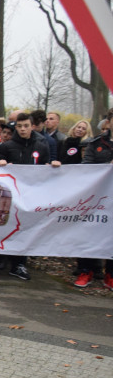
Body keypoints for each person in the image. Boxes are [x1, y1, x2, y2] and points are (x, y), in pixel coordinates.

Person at [0, 112, 61, 280]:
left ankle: (19, 264)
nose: (22, 129)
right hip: (9, 196)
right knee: (2, 226)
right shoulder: (7, 146)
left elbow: (45, 167)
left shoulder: (41, 146)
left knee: (24, 229)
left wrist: (53, 165)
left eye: (26, 126)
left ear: (32, 126)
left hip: (30, 196)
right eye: (19, 126)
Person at [75, 119, 113, 290]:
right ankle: (85, 270)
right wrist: (108, 167)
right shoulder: (96, 143)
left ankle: (110, 275)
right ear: (109, 122)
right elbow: (86, 167)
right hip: (97, 198)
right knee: (89, 232)